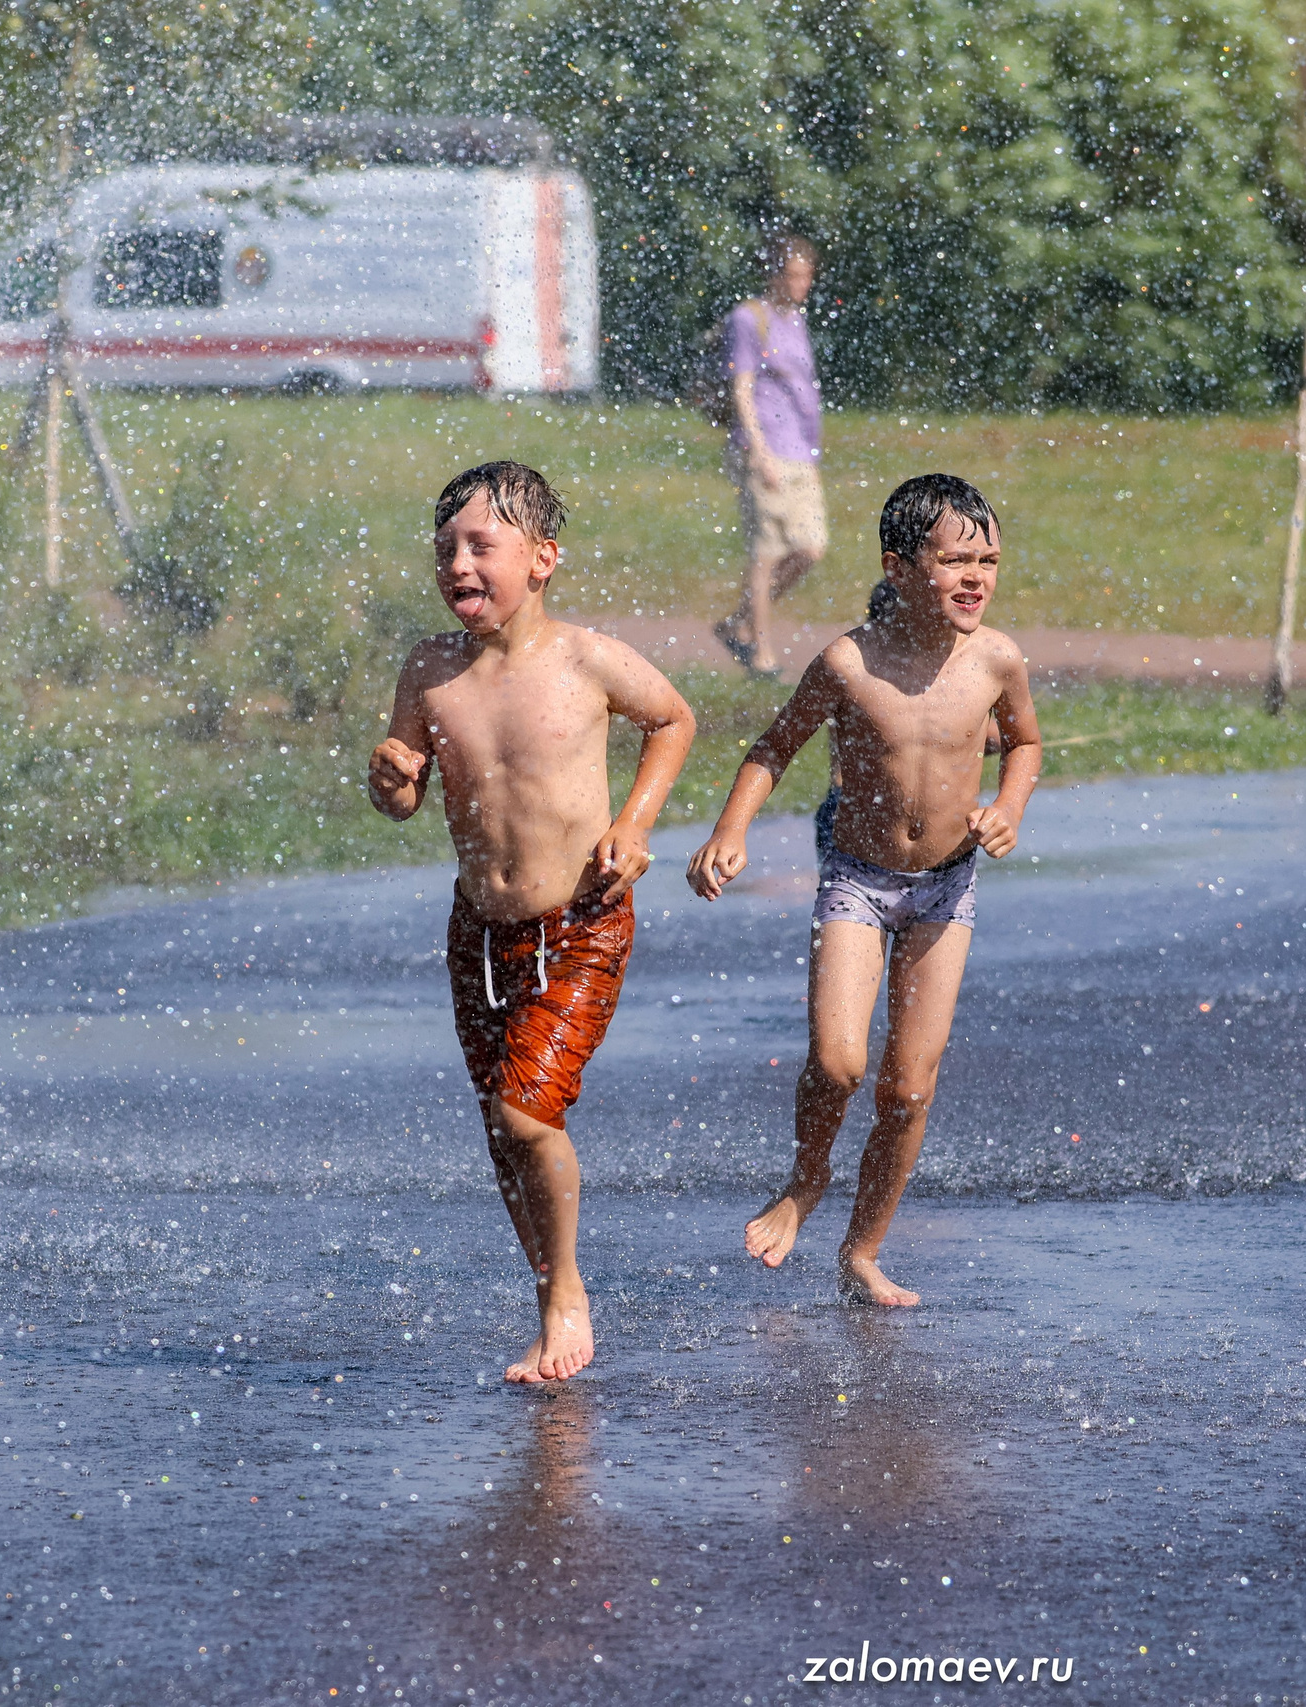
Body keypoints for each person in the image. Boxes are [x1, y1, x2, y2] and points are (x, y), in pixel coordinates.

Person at [368, 460, 696, 1382]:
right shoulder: (430, 670)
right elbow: (402, 793)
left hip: (579, 924)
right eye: (446, 549)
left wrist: (633, 824)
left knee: (524, 1113)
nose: (459, 564)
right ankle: (549, 1282)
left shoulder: (586, 661)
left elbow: (672, 720)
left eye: (482, 545)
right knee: (498, 1124)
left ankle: (566, 1295)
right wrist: (392, 779)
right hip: (477, 933)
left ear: (543, 557)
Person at [688, 475, 1042, 1307]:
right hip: (857, 880)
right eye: (955, 559)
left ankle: (864, 1249)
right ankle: (806, 1181)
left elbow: (1024, 742)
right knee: (840, 1063)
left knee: (909, 1086)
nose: (976, 577)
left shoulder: (996, 658)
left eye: (988, 560)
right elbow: (773, 746)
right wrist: (730, 832)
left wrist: (1010, 806)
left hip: (946, 888)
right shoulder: (849, 662)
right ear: (899, 564)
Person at [712, 234, 827, 679]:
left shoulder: (795, 319)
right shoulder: (748, 319)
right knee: (766, 552)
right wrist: (759, 452)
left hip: (802, 451)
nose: (802, 284)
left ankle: (738, 621)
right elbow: (742, 387)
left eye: (807, 275)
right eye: (795, 275)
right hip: (765, 450)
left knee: (810, 548)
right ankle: (761, 654)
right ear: (775, 274)